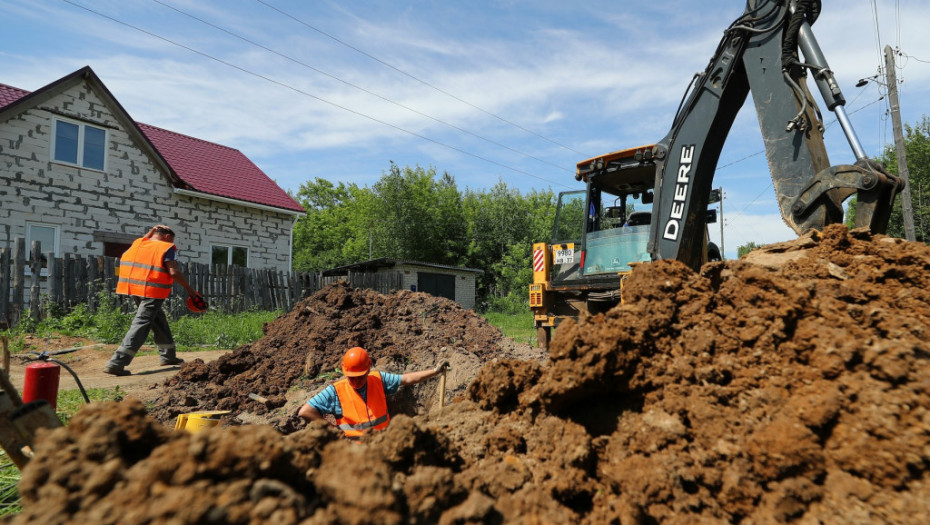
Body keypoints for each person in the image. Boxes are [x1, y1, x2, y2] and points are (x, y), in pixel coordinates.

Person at [104, 225, 202, 376]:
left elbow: (146, 238)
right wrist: (191, 292)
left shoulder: (140, 243)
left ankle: (168, 356)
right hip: (153, 290)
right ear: (168, 237)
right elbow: (174, 273)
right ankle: (117, 363)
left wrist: (152, 230)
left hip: (134, 289)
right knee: (141, 324)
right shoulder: (167, 247)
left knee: (157, 319)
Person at [298, 346, 449, 439]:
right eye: (351, 378)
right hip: (355, 455)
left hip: (382, 446)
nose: (356, 382)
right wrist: (330, 429)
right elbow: (305, 411)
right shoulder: (335, 391)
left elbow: (407, 379)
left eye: (360, 377)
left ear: (368, 369)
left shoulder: (379, 379)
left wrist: (434, 371)